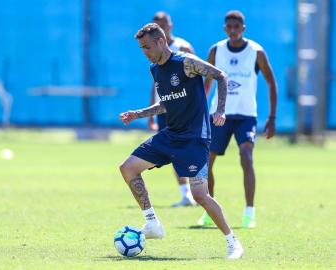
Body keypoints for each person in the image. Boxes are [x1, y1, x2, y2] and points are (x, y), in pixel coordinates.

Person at [119, 22, 243, 259]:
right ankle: (152, 223)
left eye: (147, 47)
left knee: (200, 196)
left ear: (161, 42)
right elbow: (167, 103)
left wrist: (221, 111)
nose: (144, 52)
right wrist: (138, 114)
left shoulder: (186, 62)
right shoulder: (155, 69)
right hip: (170, 135)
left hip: (195, 139)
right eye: (141, 48)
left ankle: (233, 242)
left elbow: (221, 76)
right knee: (128, 169)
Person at [198, 10, 277, 229]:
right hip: (218, 114)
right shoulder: (216, 50)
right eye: (229, 27)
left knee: (246, 156)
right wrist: (201, 110)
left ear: (243, 28)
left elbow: (272, 83)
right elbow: (207, 84)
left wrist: (271, 117)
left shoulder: (256, 51)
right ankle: (208, 212)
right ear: (225, 28)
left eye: (237, 27)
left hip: (245, 115)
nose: (233, 30)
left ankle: (249, 212)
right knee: (207, 162)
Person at [148, 11, 196, 208]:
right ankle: (185, 194)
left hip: (183, 108)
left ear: (170, 25)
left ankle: (199, 191)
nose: (162, 27)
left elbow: (197, 75)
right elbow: (156, 83)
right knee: (174, 151)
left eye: (163, 24)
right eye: (157, 24)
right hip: (164, 109)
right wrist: (151, 111)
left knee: (190, 149)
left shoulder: (182, 47)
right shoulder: (155, 52)